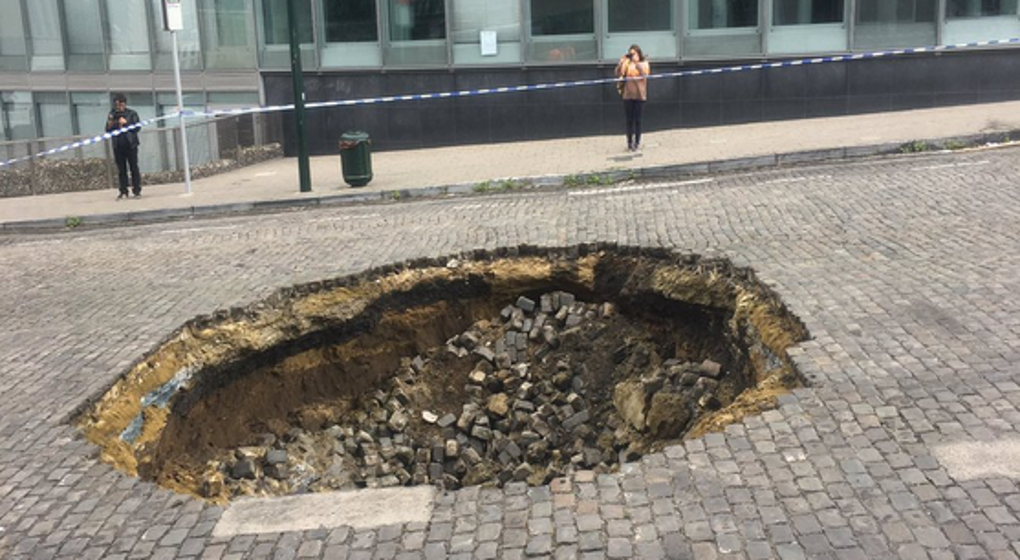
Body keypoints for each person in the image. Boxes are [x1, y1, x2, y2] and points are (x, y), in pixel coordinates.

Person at [106, 93, 142, 199]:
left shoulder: (132, 114)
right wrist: (112, 122)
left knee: (134, 167)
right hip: (118, 145)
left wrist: (126, 124)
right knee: (121, 170)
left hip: (130, 145)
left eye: (120, 104)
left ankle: (136, 190)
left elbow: (137, 128)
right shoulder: (112, 114)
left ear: (124, 104)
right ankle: (123, 191)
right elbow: (108, 130)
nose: (118, 107)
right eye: (116, 105)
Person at [616, 45, 650, 152]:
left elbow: (644, 75)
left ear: (639, 54)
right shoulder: (627, 63)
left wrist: (636, 63)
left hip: (639, 95)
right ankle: (629, 142)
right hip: (628, 94)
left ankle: (637, 142)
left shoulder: (644, 63)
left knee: (638, 120)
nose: (632, 56)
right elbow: (618, 74)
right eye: (631, 54)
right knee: (629, 120)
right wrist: (620, 63)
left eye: (634, 53)